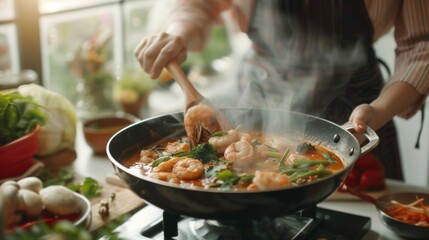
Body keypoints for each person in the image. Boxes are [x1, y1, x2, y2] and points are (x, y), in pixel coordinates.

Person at [134, 0, 429, 180]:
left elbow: (421, 44)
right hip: (259, 98)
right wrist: (179, 32)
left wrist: (377, 111)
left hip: (355, 111)